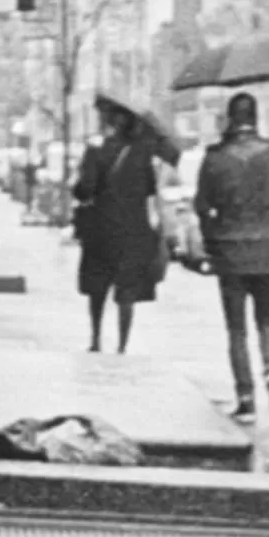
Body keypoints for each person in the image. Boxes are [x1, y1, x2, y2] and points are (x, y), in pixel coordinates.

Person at [195, 91, 269, 422]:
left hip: (230, 250)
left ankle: (246, 399)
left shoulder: (215, 157)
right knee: (267, 320)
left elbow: (201, 205)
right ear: (255, 118)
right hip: (267, 246)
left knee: (236, 329)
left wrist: (212, 234)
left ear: (230, 118)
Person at [71, 101, 167, 354]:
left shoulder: (96, 151)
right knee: (126, 290)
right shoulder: (142, 153)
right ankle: (123, 344)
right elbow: (149, 190)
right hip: (134, 230)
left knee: (97, 287)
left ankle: (95, 338)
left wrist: (80, 181)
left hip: (100, 228)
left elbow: (85, 190)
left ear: (111, 122)